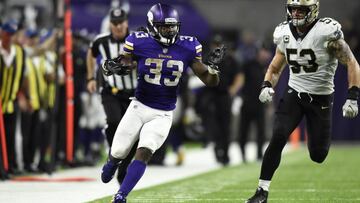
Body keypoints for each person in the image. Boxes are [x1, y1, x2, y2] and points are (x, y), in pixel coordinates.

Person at [100, 3, 224, 203]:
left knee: (145, 150)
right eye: (165, 26)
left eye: (173, 26)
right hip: (138, 107)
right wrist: (114, 66)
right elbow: (126, 62)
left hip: (163, 113)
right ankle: (112, 162)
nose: (170, 30)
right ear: (152, 26)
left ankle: (121, 195)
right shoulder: (139, 41)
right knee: (118, 151)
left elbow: (209, 81)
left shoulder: (188, 46)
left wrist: (213, 68)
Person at [246, 0, 360, 202]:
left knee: (318, 155)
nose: (296, 13)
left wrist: (352, 96)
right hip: (294, 94)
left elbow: (352, 62)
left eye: (301, 10)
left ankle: (316, 146)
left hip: (321, 99)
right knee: (278, 136)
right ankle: (261, 191)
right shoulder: (283, 33)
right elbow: (274, 67)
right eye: (293, 9)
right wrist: (266, 85)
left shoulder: (326, 32)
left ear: (313, 11)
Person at [86, 8, 137, 184]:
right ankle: (112, 155)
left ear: (126, 22)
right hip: (112, 91)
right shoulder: (101, 41)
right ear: (110, 24)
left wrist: (130, 66)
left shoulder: (136, 40)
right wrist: (91, 77)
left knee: (133, 135)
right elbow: (91, 54)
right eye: (114, 23)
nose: (118, 26)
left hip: (134, 94)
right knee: (114, 122)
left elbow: (146, 59)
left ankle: (122, 167)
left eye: (120, 22)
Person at [238, 46, 271, 162]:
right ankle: (242, 154)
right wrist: (237, 95)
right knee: (243, 130)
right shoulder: (248, 65)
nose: (266, 54)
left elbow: (269, 86)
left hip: (259, 104)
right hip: (247, 102)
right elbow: (240, 80)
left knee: (261, 131)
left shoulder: (266, 67)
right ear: (259, 52)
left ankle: (259, 155)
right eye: (264, 51)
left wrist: (270, 104)